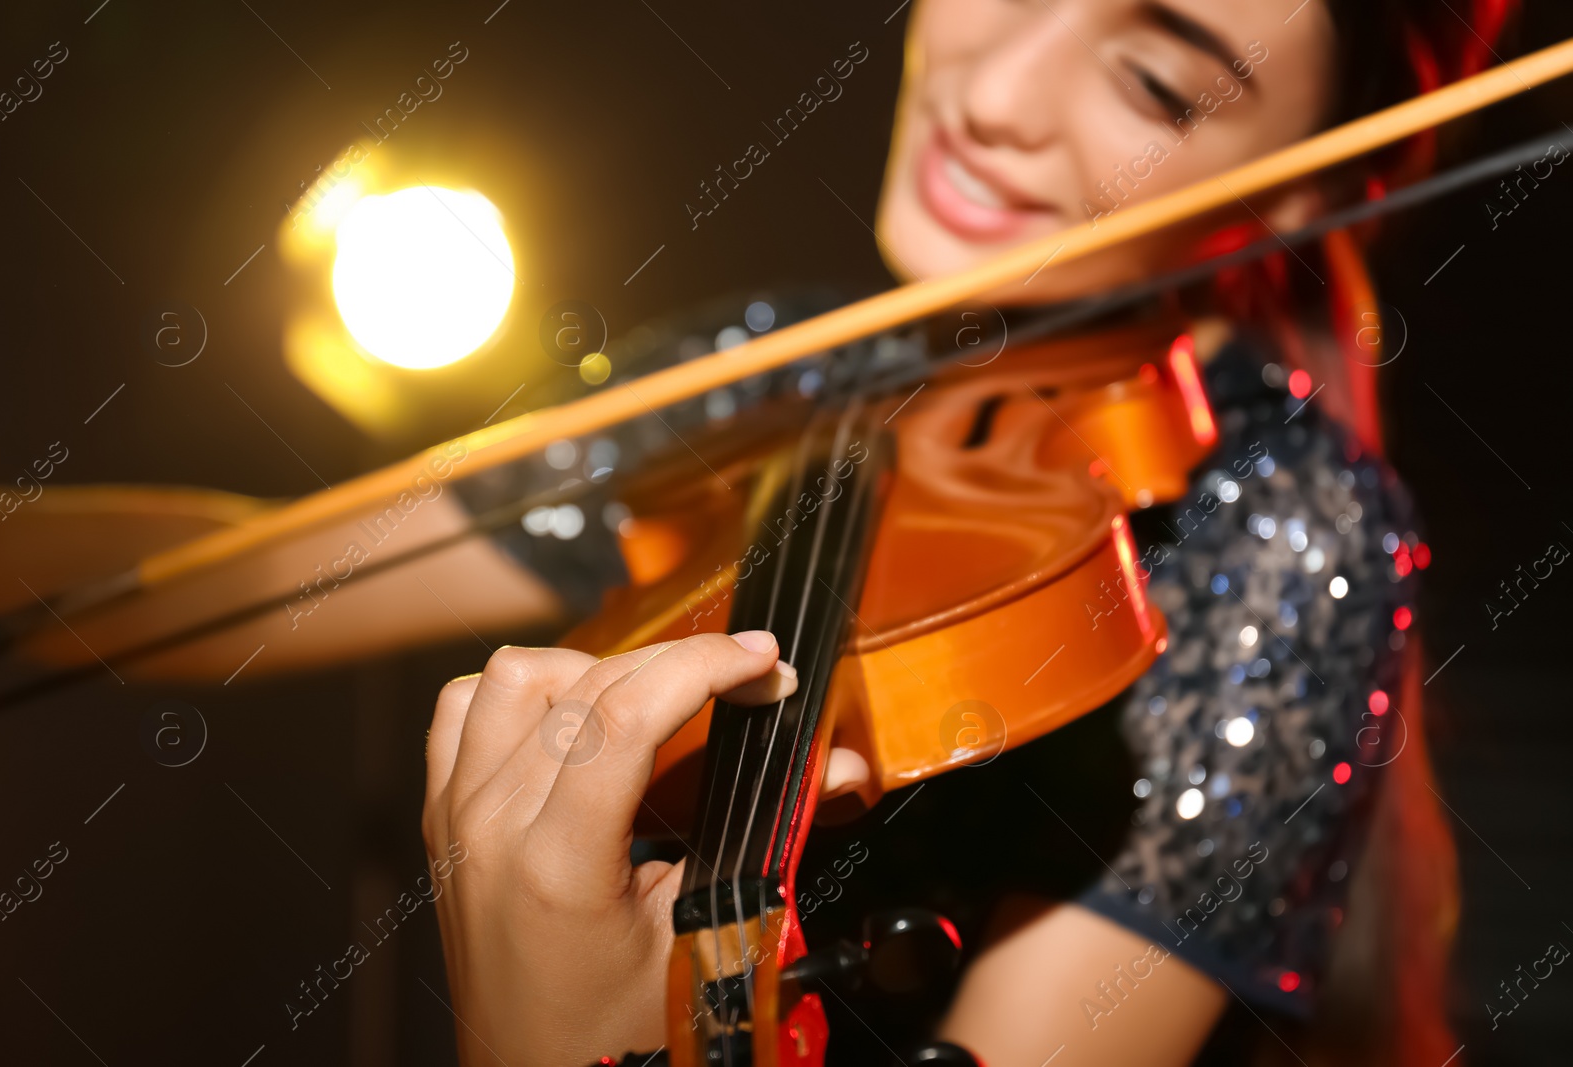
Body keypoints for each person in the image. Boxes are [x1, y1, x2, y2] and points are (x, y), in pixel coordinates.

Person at [421, 1, 1517, 1064]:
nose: (994, 95)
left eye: (1155, 84)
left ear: (1308, 185)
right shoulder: (800, 362)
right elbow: (271, 583)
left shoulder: (1278, 525)